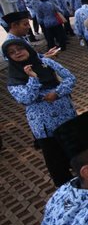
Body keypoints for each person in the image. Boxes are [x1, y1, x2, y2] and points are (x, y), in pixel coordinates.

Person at [2, 39, 77, 187]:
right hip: (44, 125)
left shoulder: (46, 63)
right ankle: (67, 189)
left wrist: (58, 92)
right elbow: (26, 98)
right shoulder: (13, 80)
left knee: (76, 149)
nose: (17, 53)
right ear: (8, 57)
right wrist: (32, 78)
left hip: (66, 115)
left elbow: (70, 78)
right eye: (11, 52)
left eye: (19, 48)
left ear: (27, 48)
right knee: (55, 158)